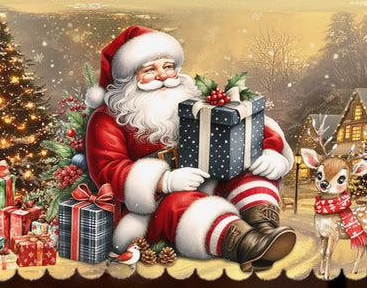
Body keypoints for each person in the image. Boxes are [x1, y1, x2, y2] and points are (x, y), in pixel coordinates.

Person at [85, 26, 296, 271]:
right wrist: (164, 181)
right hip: (154, 207)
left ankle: (263, 227)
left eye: (167, 66)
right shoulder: (108, 119)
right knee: (182, 204)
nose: (163, 76)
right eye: (149, 70)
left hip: (209, 181)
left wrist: (271, 150)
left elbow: (239, 119)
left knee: (248, 168)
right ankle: (245, 244)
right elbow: (109, 170)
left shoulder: (192, 98)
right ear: (130, 77)